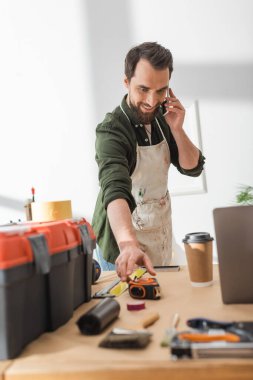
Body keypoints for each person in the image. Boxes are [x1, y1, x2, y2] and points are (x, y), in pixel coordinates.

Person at [92, 42, 205, 281]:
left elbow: (192, 167)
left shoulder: (162, 117)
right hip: (122, 246)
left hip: (160, 236)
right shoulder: (112, 130)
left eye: (161, 90)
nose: (152, 101)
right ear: (126, 83)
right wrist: (128, 245)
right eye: (143, 89)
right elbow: (114, 189)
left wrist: (177, 129)